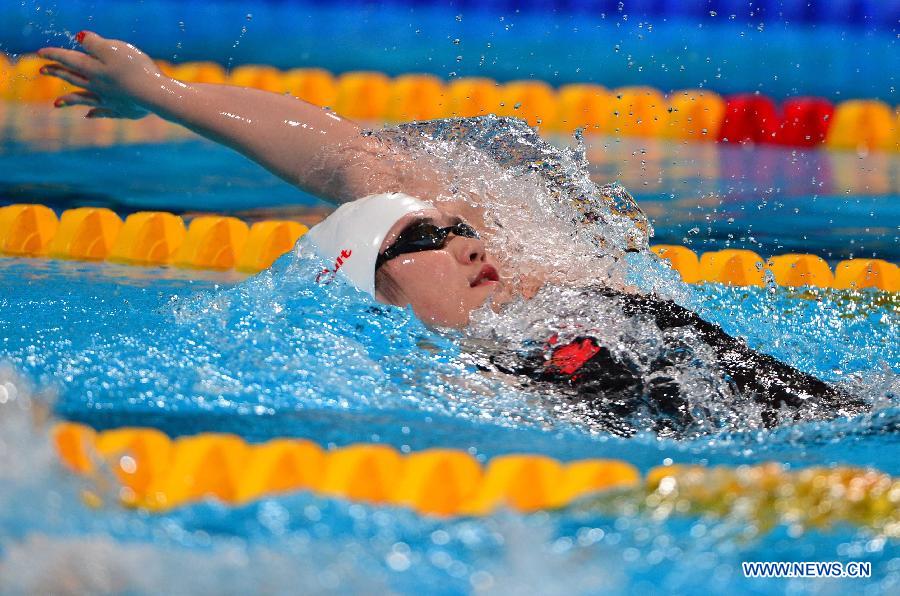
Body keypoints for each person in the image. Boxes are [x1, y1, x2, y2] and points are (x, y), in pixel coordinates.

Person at [38, 32, 869, 435]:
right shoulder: (449, 386)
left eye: (462, 227)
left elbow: (344, 154)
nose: (475, 245)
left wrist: (162, 93)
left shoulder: (557, 283)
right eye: (428, 241)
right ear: (377, 287)